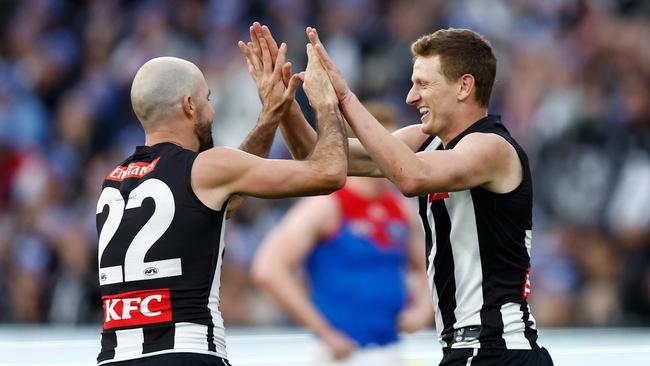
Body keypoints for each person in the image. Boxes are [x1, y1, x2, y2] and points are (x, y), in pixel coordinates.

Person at [242, 24, 553, 366]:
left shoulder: (492, 146)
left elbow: (410, 177)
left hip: (499, 348)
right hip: (469, 348)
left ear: (464, 86)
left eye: (423, 84)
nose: (411, 97)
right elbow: (317, 156)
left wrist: (342, 98)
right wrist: (283, 103)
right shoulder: (425, 140)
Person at [94, 35, 348, 365]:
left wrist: (271, 116)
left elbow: (224, 197)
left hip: (113, 358)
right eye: (207, 99)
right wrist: (326, 102)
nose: (211, 111)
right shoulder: (207, 168)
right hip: (188, 351)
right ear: (189, 105)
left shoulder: (114, 182)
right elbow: (330, 172)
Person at [251, 102, 433, 366]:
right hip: (341, 354)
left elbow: (425, 266)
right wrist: (325, 332)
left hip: (390, 348)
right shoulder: (327, 206)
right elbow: (268, 268)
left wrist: (422, 309)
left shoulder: (400, 208)